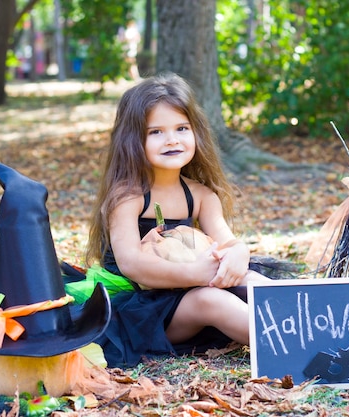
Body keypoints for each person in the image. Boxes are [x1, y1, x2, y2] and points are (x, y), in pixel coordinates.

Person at [82, 72, 270, 367]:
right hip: (144, 312)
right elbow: (132, 263)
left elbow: (228, 241)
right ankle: (291, 345)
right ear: (133, 140)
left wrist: (238, 253)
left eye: (181, 128)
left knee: (252, 280)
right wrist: (199, 275)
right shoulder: (128, 197)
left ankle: (316, 325)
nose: (172, 140)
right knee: (211, 300)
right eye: (155, 132)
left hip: (190, 291)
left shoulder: (201, 195)